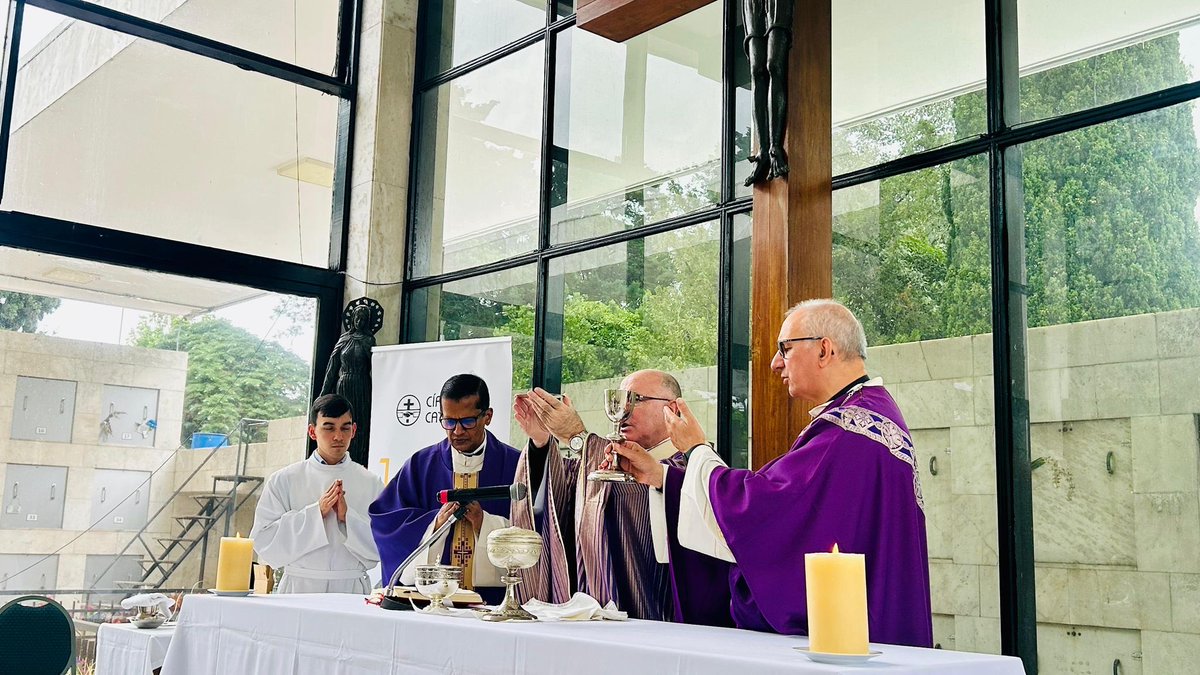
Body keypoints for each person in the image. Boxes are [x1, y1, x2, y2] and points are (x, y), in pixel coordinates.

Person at [607, 300, 933, 646]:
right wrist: (662, 477)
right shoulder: (863, 416)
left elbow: (769, 507)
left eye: (785, 349)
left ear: (824, 349)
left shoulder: (850, 430)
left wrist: (696, 449)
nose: (775, 363)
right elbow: (796, 507)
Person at [510, 369, 689, 621]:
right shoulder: (598, 463)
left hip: (660, 617)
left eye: (636, 400)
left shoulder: (689, 467)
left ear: (671, 408)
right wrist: (542, 443)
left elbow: (638, 493)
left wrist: (577, 437)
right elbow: (558, 505)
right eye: (620, 399)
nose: (624, 409)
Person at [369, 374, 521, 604]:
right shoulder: (421, 465)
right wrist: (435, 524)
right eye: (449, 422)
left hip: (495, 603)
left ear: (487, 416)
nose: (457, 431)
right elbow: (386, 522)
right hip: (433, 603)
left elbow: (536, 529)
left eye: (467, 421)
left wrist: (485, 524)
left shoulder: (516, 465)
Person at [249, 394, 384, 593]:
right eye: (329, 427)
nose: (338, 436)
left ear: (354, 430)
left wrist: (347, 518)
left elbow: (383, 545)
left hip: (350, 590)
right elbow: (263, 541)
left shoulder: (371, 483)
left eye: (345, 427)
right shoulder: (284, 479)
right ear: (312, 431)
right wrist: (316, 513)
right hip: (299, 588)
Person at [320, 298, 383, 467]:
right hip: (344, 384)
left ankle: (359, 460)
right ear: (353, 319)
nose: (360, 321)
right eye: (357, 318)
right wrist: (323, 395)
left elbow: (376, 367)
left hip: (362, 384)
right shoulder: (344, 339)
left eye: (363, 319)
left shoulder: (369, 340)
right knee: (342, 419)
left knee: (359, 424)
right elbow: (332, 368)